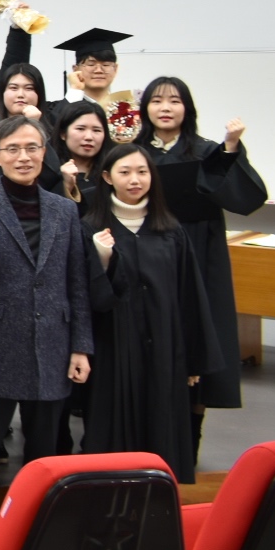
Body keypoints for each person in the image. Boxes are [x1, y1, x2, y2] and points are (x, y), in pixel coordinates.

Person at [0, 115, 93, 524]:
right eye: (12, 149)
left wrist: (80, 346)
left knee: (45, 445)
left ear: (44, 153)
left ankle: (35, 519)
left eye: (32, 148)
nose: (23, 157)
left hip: (52, 339)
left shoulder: (64, 209)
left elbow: (76, 281)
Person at [137, 76, 266, 459]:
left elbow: (245, 198)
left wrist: (230, 148)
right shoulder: (135, 152)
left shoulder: (208, 151)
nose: (165, 108)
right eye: (157, 100)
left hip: (199, 252)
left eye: (174, 100)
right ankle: (146, 433)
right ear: (145, 108)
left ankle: (191, 435)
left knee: (198, 337)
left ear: (187, 108)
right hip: (146, 253)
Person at [81, 144, 221, 482]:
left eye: (142, 172)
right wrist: (103, 260)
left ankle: (159, 494)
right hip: (113, 344)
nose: (135, 180)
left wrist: (194, 359)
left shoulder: (170, 230)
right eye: (125, 172)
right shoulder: (91, 228)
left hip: (164, 345)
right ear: (107, 177)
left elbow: (189, 295)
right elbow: (86, 297)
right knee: (113, 423)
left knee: (162, 420)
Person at [53, 28, 137, 141]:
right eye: (91, 64)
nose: (98, 70)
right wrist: (75, 90)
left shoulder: (128, 109)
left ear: (115, 69)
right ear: (75, 69)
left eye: (106, 65)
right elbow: (53, 127)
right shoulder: (58, 108)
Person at [55, 100, 112, 206]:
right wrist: (66, 186)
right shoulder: (50, 170)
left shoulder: (112, 171)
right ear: (63, 133)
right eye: (81, 129)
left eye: (96, 130)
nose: (89, 137)